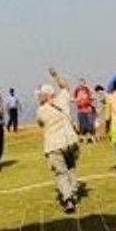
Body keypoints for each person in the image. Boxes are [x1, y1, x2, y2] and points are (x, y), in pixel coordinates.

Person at [36, 69, 80, 214]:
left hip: (54, 145)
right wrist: (56, 76)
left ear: (45, 96)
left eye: (40, 95)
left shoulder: (41, 111)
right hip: (71, 141)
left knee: (61, 173)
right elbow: (65, 87)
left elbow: (40, 124)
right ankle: (73, 192)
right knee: (71, 167)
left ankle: (68, 199)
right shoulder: (62, 99)